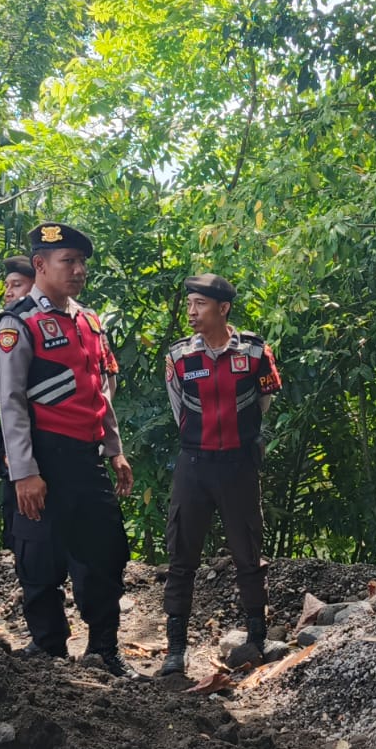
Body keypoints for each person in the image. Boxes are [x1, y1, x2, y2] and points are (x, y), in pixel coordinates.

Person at [0, 222, 138, 677]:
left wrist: (115, 449)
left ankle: (104, 651)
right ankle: (48, 650)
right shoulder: (16, 325)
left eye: (81, 261)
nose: (78, 270)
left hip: (85, 459)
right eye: (67, 261)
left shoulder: (89, 321)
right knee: (38, 556)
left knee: (103, 553)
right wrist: (24, 472)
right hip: (40, 459)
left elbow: (98, 392)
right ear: (40, 265)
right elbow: (9, 402)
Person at [158, 273, 283, 676]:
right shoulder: (179, 357)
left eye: (200, 305)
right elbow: (178, 408)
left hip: (238, 466)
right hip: (193, 466)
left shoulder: (256, 351)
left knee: (248, 554)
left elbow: (263, 402)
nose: (191, 312)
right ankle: (175, 649)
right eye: (190, 304)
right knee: (182, 556)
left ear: (223, 308)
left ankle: (256, 638)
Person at [0, 255, 37, 548]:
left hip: (43, 428)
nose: (8, 291)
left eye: (17, 284)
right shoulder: (6, 325)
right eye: (6, 285)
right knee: (17, 513)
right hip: (13, 434)